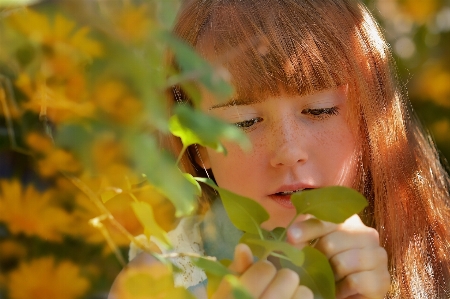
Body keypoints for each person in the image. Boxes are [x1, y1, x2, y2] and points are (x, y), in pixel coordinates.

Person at [109, 0, 450, 298]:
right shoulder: (154, 284)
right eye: (244, 122)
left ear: (372, 118)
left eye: (319, 110)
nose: (288, 150)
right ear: (198, 147)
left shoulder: (435, 256)